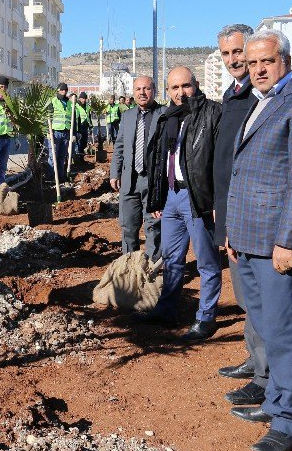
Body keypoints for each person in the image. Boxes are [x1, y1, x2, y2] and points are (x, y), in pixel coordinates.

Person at [223, 29, 292, 451]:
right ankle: (275, 401)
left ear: (285, 58)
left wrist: (287, 241)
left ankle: (290, 419)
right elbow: (245, 174)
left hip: (276, 242)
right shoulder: (259, 101)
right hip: (247, 237)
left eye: (266, 61)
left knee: (285, 332)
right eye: (252, 64)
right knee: (266, 325)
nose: (258, 69)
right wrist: (232, 229)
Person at [140, 67, 223, 342]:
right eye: (174, 88)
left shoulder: (212, 113)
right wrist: (157, 197)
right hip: (172, 197)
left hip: (197, 197)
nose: (180, 93)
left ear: (196, 85)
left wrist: (215, 200)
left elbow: (220, 161)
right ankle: (167, 310)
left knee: (207, 262)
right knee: (172, 259)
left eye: (185, 86)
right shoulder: (168, 117)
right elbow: (157, 161)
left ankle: (206, 318)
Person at [210, 24, 269, 407]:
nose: (233, 61)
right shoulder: (233, 96)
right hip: (229, 212)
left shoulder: (261, 97)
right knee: (246, 296)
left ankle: (265, 376)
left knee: (261, 301)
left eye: (237, 53)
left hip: (251, 215)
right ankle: (255, 360)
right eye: (226, 55)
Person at [110, 76, 163, 258]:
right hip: (129, 181)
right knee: (128, 226)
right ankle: (130, 267)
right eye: (138, 89)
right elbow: (120, 147)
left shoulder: (163, 114)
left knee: (154, 227)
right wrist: (114, 173)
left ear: (154, 90)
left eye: (146, 88)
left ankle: (153, 270)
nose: (142, 92)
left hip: (153, 182)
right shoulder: (127, 116)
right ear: (133, 92)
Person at [49, 82, 73, 183]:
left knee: (62, 156)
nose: (64, 92)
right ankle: (51, 177)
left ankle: (60, 176)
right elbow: (47, 117)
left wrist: (74, 133)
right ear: (58, 90)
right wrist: (48, 132)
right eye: (62, 90)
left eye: (66, 90)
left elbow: (72, 118)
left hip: (66, 132)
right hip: (55, 132)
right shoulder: (53, 101)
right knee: (53, 155)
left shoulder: (69, 103)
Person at [74, 92, 90, 160]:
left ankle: (81, 157)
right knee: (78, 143)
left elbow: (88, 116)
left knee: (84, 142)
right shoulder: (76, 105)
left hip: (85, 126)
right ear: (79, 98)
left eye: (85, 98)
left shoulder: (87, 106)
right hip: (79, 126)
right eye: (82, 98)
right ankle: (77, 158)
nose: (84, 100)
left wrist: (90, 125)